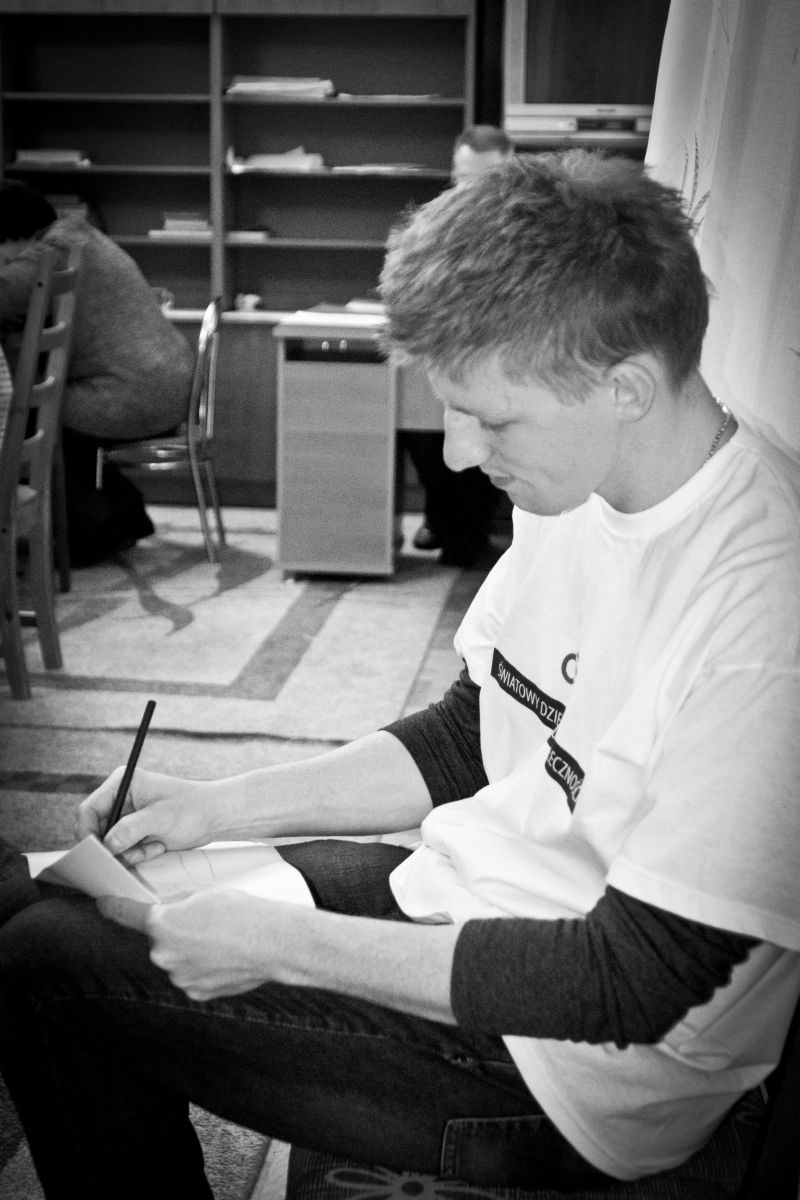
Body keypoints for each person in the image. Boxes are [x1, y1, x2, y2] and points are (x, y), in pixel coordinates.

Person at [1, 149, 799, 1199]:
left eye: (491, 419)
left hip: (579, 1075)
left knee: (44, 972)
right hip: (470, 903)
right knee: (50, 907)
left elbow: (633, 983)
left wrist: (286, 946)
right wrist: (210, 806)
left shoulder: (765, 601)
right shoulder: (581, 483)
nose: (458, 454)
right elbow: (472, 734)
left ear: (626, 386)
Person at [0, 180, 195, 566]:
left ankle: (93, 528)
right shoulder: (80, 235)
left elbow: (4, 298)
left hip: (130, 395)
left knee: (26, 421)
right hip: (167, 386)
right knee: (40, 412)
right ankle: (119, 517)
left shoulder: (50, 252)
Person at [405, 125, 512, 566]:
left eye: (484, 179)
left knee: (487, 426)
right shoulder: (435, 219)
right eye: (464, 178)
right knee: (417, 419)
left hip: (501, 354)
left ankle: (467, 531)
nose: (471, 189)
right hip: (441, 346)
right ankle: (441, 518)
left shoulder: (526, 222)